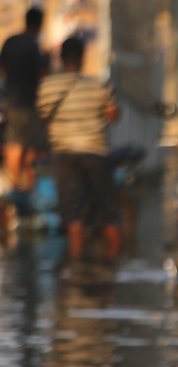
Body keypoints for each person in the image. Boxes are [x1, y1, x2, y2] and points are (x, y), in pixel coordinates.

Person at [37, 35, 121, 262]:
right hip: (95, 152)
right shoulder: (99, 85)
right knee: (108, 214)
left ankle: (75, 266)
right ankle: (113, 266)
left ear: (61, 58)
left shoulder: (47, 86)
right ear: (83, 58)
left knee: (73, 215)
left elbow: (44, 116)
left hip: (64, 154)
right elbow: (113, 116)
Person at [0, 6, 47, 202]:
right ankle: (23, 188)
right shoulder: (35, 46)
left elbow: (1, 68)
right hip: (29, 102)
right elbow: (42, 76)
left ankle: (15, 185)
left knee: (15, 142)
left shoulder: (10, 42)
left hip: (10, 101)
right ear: (39, 24)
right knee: (25, 145)